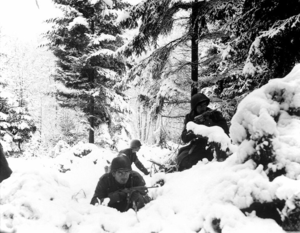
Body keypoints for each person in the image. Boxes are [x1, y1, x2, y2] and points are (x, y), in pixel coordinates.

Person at [176, 93, 229, 171]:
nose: (203, 108)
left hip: (214, 144)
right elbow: (184, 137)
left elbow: (225, 129)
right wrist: (195, 129)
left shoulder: (214, 114)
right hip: (198, 145)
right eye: (200, 106)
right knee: (183, 161)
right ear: (194, 107)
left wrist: (209, 124)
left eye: (204, 105)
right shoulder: (190, 118)